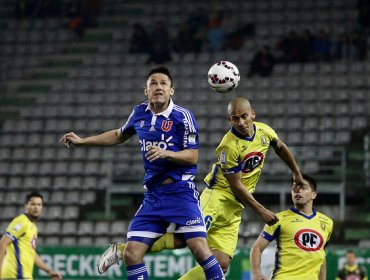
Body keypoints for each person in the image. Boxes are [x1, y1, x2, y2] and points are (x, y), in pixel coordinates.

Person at [98, 97, 305, 279]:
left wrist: (296, 172)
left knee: (222, 263)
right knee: (184, 240)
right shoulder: (229, 145)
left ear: (253, 114)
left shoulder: (264, 131)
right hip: (217, 198)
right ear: (229, 120)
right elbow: (236, 185)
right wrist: (261, 210)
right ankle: (122, 250)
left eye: (244, 116)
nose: (241, 122)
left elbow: (280, 147)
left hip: (235, 208)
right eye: (235, 118)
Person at [59, 66, 225, 280]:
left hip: (180, 192)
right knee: (131, 254)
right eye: (153, 83)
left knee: (200, 249)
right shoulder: (139, 113)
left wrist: (166, 153)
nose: (158, 87)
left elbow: (193, 156)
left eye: (163, 83)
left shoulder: (182, 116)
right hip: (153, 196)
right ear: (146, 91)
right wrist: (83, 141)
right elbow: (119, 135)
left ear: (171, 90)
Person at [250, 175, 334, 280]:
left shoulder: (327, 223)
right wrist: (256, 273)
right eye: (295, 188)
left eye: (303, 188)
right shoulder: (278, 219)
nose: (298, 191)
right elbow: (257, 248)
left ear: (314, 194)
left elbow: (321, 255)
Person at [0, 191, 62, 280]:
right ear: (26, 206)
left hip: (24, 276)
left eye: (39, 204)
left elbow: (32, 253)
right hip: (15, 275)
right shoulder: (21, 222)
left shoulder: (32, 226)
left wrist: (49, 271)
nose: (36, 207)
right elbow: (2, 243)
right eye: (33, 204)